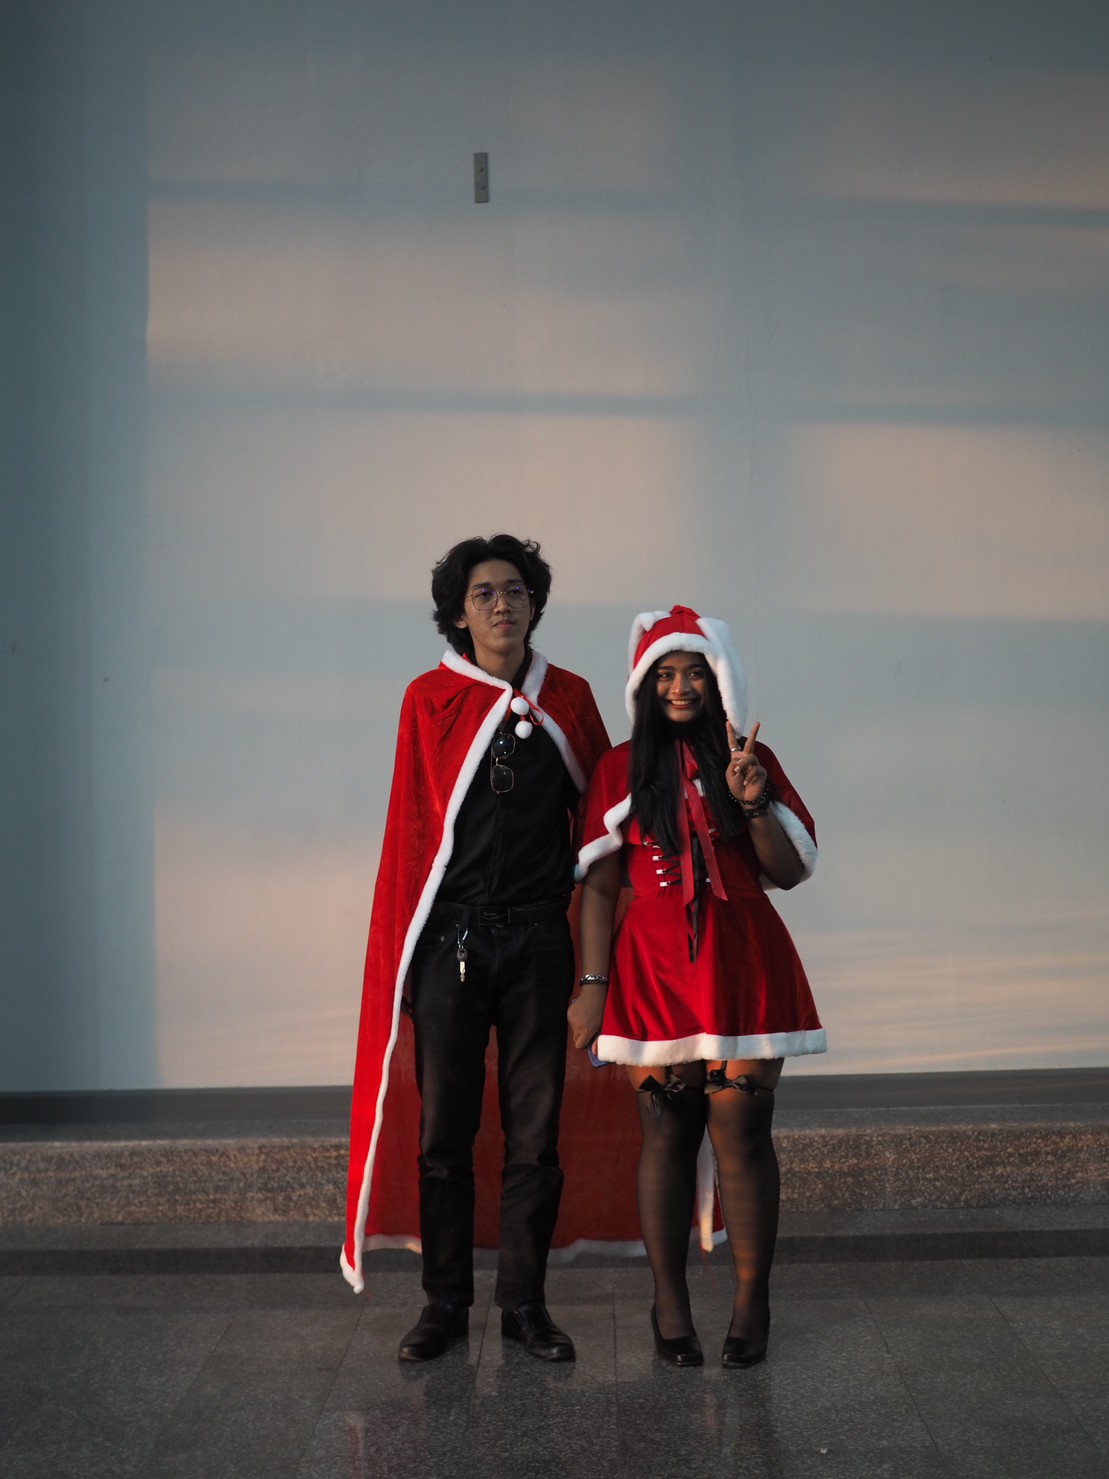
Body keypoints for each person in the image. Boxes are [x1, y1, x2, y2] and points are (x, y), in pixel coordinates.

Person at [341, 534, 610, 1365]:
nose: (502, 604)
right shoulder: (427, 698)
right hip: (448, 941)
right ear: (457, 614)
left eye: (515, 590)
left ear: (534, 603)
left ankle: (524, 1304)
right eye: (483, 593)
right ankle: (445, 1303)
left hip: (538, 941)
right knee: (442, 1135)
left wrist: (595, 975)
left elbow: (605, 832)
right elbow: (410, 834)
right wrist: (404, 959)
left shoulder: (569, 697)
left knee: (535, 1134)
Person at [569, 605, 825, 1369]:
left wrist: (752, 800)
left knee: (742, 1130)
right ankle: (669, 1305)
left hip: (743, 955)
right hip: (652, 963)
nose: (680, 686)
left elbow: (785, 871)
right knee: (667, 1130)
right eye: (665, 674)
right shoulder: (617, 768)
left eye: (695, 673)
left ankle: (751, 1303)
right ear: (643, 687)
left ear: (719, 682)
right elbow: (600, 885)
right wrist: (592, 984)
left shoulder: (752, 757)